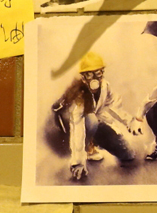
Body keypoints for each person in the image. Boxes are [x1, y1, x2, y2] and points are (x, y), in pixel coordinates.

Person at [50, 52, 143, 181]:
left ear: (102, 73)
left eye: (98, 73)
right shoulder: (79, 95)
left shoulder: (105, 86)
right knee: (91, 120)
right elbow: (77, 128)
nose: (94, 78)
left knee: (128, 154)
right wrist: (78, 162)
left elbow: (114, 106)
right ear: (83, 77)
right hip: (73, 125)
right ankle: (89, 147)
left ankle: (95, 141)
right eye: (89, 74)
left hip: (94, 122)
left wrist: (130, 122)